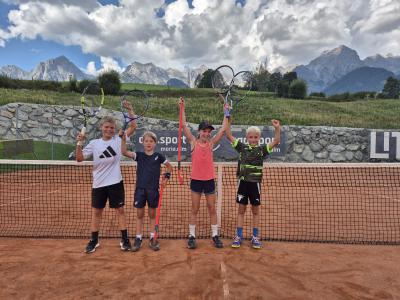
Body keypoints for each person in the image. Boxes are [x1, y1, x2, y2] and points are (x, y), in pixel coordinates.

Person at [76, 113, 134, 254]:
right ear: (101, 127)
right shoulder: (94, 144)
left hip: (116, 183)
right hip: (99, 184)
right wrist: (79, 143)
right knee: (97, 213)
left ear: (115, 129)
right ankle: (94, 240)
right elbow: (79, 158)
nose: (109, 130)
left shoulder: (118, 139)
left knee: (120, 211)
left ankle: (125, 239)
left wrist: (131, 112)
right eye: (107, 127)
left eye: (112, 128)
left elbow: (133, 126)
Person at [180, 98, 228, 249]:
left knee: (211, 208)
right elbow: (183, 125)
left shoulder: (211, 143)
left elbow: (223, 129)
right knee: (194, 209)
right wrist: (182, 108)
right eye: (204, 131)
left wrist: (226, 111)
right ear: (199, 131)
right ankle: (192, 236)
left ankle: (215, 235)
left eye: (208, 131)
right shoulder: (193, 142)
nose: (207, 133)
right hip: (196, 180)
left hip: (209, 181)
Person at [225, 117, 281, 249]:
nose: (253, 139)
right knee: (241, 210)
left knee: (255, 211)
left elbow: (277, 141)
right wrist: (229, 119)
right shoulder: (241, 147)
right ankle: (238, 236)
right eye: (251, 137)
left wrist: (277, 128)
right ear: (247, 137)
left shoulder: (262, 150)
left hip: (255, 185)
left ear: (259, 138)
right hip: (243, 184)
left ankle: (255, 237)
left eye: (256, 137)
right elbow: (228, 135)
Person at [121, 130, 172, 252]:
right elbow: (124, 152)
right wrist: (123, 139)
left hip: (153, 190)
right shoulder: (139, 155)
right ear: (142, 143)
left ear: (155, 143)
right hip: (140, 190)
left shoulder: (159, 156)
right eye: (146, 141)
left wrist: (166, 178)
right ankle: (138, 238)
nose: (148, 143)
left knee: (152, 214)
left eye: (151, 141)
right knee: (139, 214)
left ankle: (152, 237)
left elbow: (169, 166)